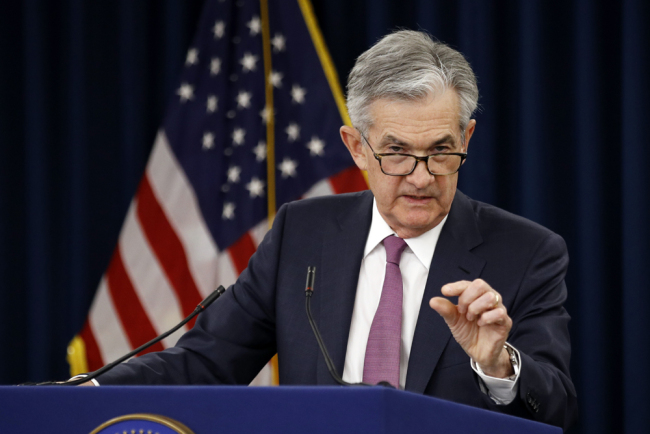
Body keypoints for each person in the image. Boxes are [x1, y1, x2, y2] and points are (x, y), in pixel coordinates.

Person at [87, 30, 577, 430]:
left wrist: (498, 366)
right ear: (356, 146)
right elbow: (204, 364)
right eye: (398, 152)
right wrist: (84, 393)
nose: (423, 176)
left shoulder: (527, 252)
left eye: (441, 151)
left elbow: (557, 412)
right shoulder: (302, 233)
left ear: (467, 137)